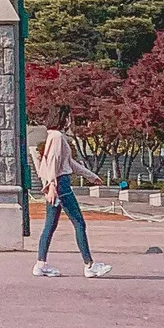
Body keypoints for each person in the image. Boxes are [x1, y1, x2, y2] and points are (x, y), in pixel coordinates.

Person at [32, 112, 109, 278]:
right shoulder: (58, 137)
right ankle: (89, 265)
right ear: (62, 118)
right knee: (79, 223)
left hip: (56, 185)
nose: (70, 121)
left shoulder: (52, 136)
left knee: (50, 226)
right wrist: (52, 185)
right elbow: (53, 161)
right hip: (61, 185)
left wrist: (90, 175)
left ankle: (41, 264)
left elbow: (68, 163)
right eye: (68, 117)